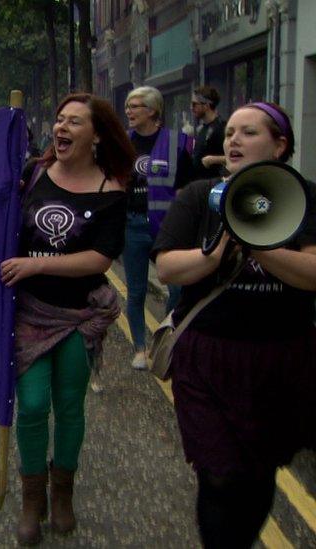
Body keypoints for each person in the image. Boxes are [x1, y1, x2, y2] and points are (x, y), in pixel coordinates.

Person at [153, 102, 316, 548]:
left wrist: (258, 243)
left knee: (258, 470)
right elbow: (168, 269)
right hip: (208, 357)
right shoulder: (199, 196)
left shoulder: (306, 199)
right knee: (219, 473)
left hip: (279, 360)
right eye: (229, 133)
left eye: (248, 133)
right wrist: (215, 252)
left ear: (280, 145)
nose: (233, 141)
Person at [3, 93, 133, 545]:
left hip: (80, 317)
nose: (62, 128)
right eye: (59, 119)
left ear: (95, 135)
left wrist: (37, 265)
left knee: (69, 406)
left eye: (74, 122)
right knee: (34, 404)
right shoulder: (32, 174)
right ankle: (31, 499)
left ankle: (63, 494)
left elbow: (99, 259)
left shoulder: (112, 189)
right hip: (28, 314)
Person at [122, 86, 193, 370]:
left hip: (169, 230)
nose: (129, 111)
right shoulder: (122, 143)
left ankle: (163, 337)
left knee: (177, 289)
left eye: (135, 106)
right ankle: (140, 348)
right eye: (127, 106)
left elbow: (190, 187)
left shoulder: (179, 143)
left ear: (152, 110)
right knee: (136, 291)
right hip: (133, 225)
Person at [190, 86, 226, 180]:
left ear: (206, 106)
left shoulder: (221, 128)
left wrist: (213, 159)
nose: (191, 108)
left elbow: (233, 157)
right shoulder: (202, 128)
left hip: (213, 184)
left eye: (194, 104)